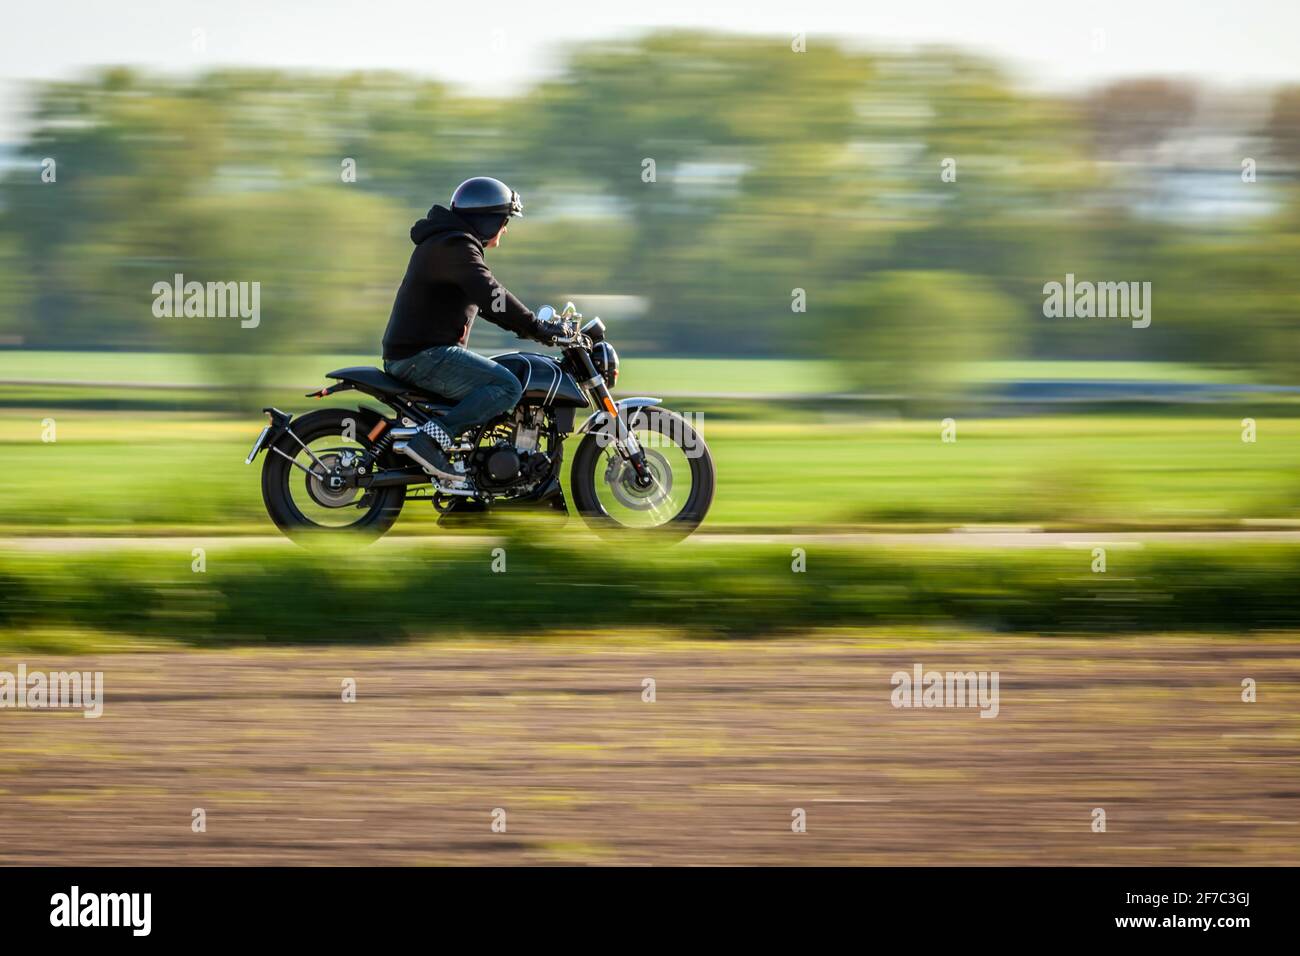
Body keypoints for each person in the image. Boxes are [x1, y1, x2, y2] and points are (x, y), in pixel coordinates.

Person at [381, 176, 567, 474]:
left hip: (422, 354)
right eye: (504, 221)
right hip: (423, 357)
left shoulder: (448, 243)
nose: (505, 229)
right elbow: (492, 293)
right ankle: (430, 442)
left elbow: (489, 305)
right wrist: (536, 327)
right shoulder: (455, 246)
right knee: (506, 386)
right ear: (488, 220)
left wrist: (529, 330)